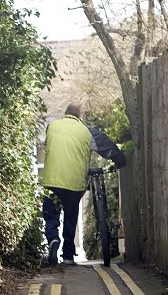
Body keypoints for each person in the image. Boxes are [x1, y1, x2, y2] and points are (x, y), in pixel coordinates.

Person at [40, 103, 126, 265]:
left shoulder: (52, 126)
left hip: (52, 181)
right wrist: (120, 160)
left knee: (51, 213)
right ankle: (67, 256)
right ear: (80, 117)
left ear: (65, 114)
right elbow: (108, 148)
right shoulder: (87, 132)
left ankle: (52, 240)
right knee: (70, 218)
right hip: (74, 184)